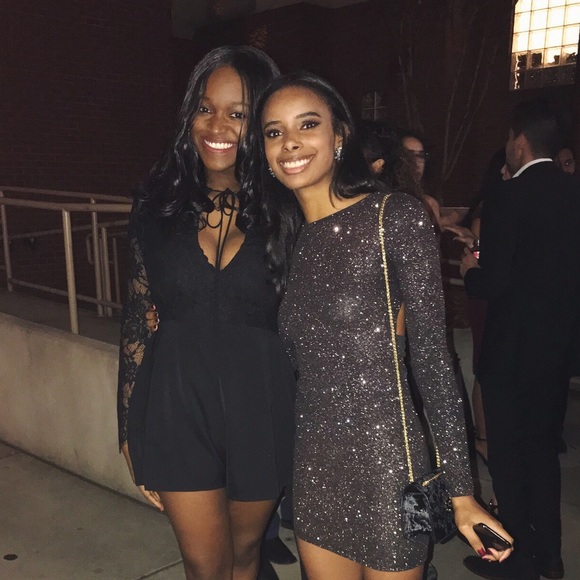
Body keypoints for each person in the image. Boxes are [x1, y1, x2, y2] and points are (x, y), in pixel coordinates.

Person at [250, 71, 512, 580]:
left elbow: (432, 361)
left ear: (340, 135)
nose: (290, 143)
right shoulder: (286, 239)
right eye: (274, 132)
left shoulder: (393, 217)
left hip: (388, 464)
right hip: (314, 468)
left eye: (308, 124)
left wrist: (462, 493)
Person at [117, 46, 296, 580]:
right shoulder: (156, 206)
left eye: (237, 113)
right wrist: (127, 424)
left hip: (262, 404)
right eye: (204, 108)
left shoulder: (293, 210)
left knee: (244, 557)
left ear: (261, 121)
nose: (216, 126)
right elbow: (137, 316)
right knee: (203, 564)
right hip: (175, 403)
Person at [460, 99, 580, 580]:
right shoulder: (573, 192)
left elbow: (494, 282)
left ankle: (516, 560)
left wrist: (470, 271)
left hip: (511, 352)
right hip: (556, 349)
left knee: (509, 459)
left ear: (520, 143)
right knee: (543, 454)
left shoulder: (508, 197)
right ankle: (550, 555)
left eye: (510, 138)